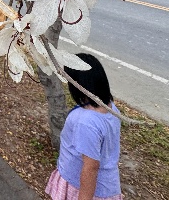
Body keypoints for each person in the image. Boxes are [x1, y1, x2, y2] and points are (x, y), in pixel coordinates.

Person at [45, 53, 123, 200]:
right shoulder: (110, 107)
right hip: (102, 185)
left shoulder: (86, 122)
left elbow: (91, 167)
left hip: (82, 190)